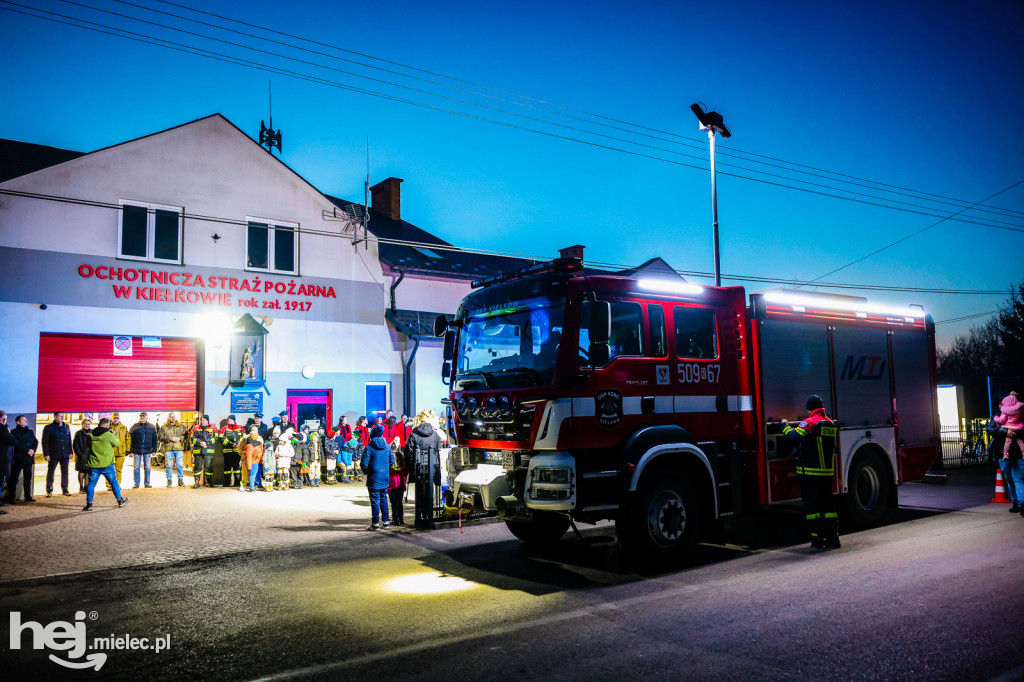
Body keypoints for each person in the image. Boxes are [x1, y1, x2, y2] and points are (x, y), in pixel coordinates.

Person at [783, 395, 840, 549]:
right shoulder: (830, 423)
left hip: (810, 474)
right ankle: (833, 538)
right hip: (826, 474)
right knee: (828, 507)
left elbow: (794, 436)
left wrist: (784, 426)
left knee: (813, 508)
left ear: (810, 408)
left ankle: (817, 539)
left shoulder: (810, 422)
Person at [81, 417, 130, 511]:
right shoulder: (108, 435)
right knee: (114, 482)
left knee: (91, 484)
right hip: (107, 464)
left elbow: (87, 446)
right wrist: (114, 435)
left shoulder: (90, 435)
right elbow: (117, 443)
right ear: (107, 425)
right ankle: (120, 501)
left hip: (94, 464)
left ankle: (89, 504)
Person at [407, 410, 443, 528]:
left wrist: (410, 465)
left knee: (420, 490)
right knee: (430, 490)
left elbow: (409, 452)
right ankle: (429, 514)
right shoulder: (434, 434)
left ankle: (420, 515)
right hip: (432, 467)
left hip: (419, 467)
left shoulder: (413, 434)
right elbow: (439, 450)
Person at [361, 425, 395, 530]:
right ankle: (386, 522)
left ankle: (375, 524)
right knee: (383, 499)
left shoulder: (369, 448)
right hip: (384, 477)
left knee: (375, 501)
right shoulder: (388, 447)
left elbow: (364, 464)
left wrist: (368, 472)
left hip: (373, 478)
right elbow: (392, 462)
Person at [7, 415, 38, 504]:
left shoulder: (30, 431)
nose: (26, 421)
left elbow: (35, 441)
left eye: (26, 420)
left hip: (29, 458)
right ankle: (11, 498)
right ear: (18, 422)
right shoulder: (13, 432)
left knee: (28, 478)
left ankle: (28, 496)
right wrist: (26, 450)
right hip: (19, 459)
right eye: (23, 420)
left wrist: (33, 450)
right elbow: (16, 444)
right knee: (14, 478)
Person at [42, 411, 73, 497]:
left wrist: (70, 451)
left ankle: (65, 489)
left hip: (65, 454)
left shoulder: (66, 427)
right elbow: (45, 442)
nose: (62, 418)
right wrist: (46, 454)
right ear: (55, 417)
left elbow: (69, 440)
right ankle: (49, 490)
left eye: (63, 416)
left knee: (65, 472)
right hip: (53, 454)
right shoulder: (48, 427)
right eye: (60, 416)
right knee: (51, 472)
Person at [158, 412, 188, 488]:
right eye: (171, 417)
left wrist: (180, 439)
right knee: (168, 465)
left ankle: (180, 480)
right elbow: (160, 437)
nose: (172, 418)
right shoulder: (164, 427)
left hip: (179, 448)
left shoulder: (182, 427)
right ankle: (169, 480)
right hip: (168, 449)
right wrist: (169, 439)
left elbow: (186, 435)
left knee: (180, 465)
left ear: (176, 417)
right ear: (168, 418)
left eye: (174, 416)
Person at [129, 412, 158, 489]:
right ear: (139, 417)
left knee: (147, 467)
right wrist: (130, 451)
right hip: (136, 450)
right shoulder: (134, 427)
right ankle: (136, 483)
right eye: (141, 416)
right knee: (136, 468)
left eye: (144, 416)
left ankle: (147, 483)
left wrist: (154, 450)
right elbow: (130, 440)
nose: (142, 417)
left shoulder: (151, 427)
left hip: (148, 450)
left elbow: (155, 439)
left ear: (147, 417)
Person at [994, 393, 1024, 466]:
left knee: (1007, 443)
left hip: (1009, 427)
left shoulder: (1005, 411)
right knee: (1021, 443)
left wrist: (995, 418)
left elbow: (1001, 420)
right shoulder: (1020, 410)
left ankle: (1006, 455)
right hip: (1018, 428)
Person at [191, 415, 218, 488]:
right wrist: (200, 442)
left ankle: (208, 482)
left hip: (209, 450)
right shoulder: (195, 428)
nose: (202, 421)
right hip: (198, 450)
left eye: (204, 420)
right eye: (201, 420)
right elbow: (191, 437)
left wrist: (206, 442)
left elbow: (215, 438)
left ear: (207, 421)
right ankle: (197, 482)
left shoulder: (213, 428)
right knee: (197, 467)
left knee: (208, 467)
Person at [221, 415, 245, 488]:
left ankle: (237, 482)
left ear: (234, 420)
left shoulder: (241, 428)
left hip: (237, 451)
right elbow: (221, 438)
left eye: (231, 419)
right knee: (227, 468)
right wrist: (231, 444)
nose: (229, 420)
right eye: (228, 419)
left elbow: (244, 438)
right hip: (227, 451)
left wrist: (238, 444)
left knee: (237, 467)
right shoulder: (223, 428)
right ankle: (227, 482)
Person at [388, 445, 409, 526]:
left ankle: (395, 519)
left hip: (392, 486)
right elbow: (407, 472)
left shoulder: (390, 468)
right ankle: (401, 519)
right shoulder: (404, 467)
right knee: (399, 502)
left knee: (393, 503)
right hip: (400, 486)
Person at [73, 416, 94, 494]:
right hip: (81, 454)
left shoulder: (92, 432)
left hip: (90, 455)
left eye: (88, 424)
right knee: (81, 471)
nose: (87, 425)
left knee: (88, 471)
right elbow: (75, 445)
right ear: (82, 424)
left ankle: (86, 487)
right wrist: (79, 454)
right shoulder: (78, 433)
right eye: (85, 424)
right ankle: (81, 487)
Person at [0, 411, 16, 513]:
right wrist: (10, 433)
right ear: (4, 419)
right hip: (1, 462)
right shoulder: (3, 429)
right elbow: (13, 441)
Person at [109, 412, 130, 488]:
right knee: (110, 470)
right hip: (110, 452)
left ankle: (117, 485)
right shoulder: (108, 427)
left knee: (118, 470)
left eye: (117, 418)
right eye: (114, 418)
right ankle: (109, 485)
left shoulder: (124, 427)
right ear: (111, 418)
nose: (116, 419)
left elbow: (127, 439)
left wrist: (128, 449)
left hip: (121, 452)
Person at [243, 426, 264, 492]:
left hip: (259, 461)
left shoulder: (259, 442)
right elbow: (249, 455)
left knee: (258, 474)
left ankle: (259, 484)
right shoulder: (250, 445)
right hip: (254, 462)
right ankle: (252, 486)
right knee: (253, 474)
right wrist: (249, 466)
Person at [262, 426, 279, 491]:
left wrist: (275, 468)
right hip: (268, 469)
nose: (272, 448)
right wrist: (266, 467)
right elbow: (264, 461)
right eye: (270, 447)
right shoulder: (266, 453)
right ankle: (267, 487)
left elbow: (274, 461)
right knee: (267, 478)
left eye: (272, 447)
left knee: (272, 478)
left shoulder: (273, 453)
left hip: (272, 469)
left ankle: (270, 486)